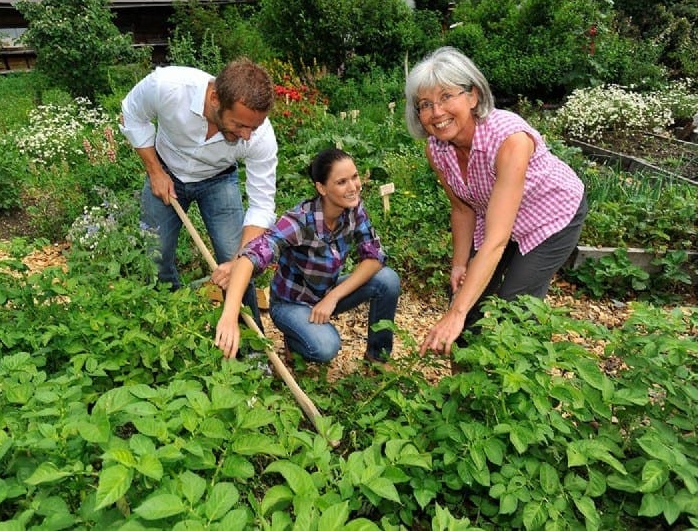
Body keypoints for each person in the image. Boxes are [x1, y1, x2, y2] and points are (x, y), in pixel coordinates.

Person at [404, 46, 587, 358]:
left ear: (473, 96)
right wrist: (460, 264)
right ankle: (464, 394)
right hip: (498, 219)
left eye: (447, 96)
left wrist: (455, 315)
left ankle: (521, 391)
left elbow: (496, 239)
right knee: (463, 296)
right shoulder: (437, 149)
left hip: (550, 216)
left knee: (515, 307)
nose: (436, 112)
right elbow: (462, 207)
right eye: (425, 104)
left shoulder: (509, 139)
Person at [119, 58, 278, 329]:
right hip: (166, 171)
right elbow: (131, 113)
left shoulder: (260, 137)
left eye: (254, 126)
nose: (248, 135)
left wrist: (241, 260)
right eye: (240, 125)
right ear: (215, 98)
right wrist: (155, 171)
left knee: (237, 265)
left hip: (219, 180)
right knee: (154, 257)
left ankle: (251, 350)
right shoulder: (168, 87)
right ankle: (170, 325)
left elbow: (262, 206)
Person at [214, 148, 401, 365]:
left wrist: (333, 297)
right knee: (325, 346)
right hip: (291, 303)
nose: (353, 187)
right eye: (342, 182)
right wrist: (229, 316)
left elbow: (374, 256)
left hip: (325, 292)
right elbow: (250, 257)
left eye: (355, 177)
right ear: (321, 188)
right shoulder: (299, 221)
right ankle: (295, 341)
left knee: (387, 280)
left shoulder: (354, 209)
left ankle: (377, 358)